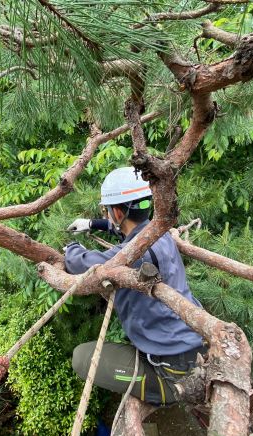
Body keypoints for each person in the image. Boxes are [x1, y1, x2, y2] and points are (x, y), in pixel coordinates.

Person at [65, 166, 205, 406]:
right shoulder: (158, 233)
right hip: (190, 342)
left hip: (171, 370)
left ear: (117, 212)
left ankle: (166, 392)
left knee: (81, 358)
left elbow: (84, 265)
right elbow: (130, 230)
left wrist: (71, 250)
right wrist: (93, 223)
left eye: (108, 211)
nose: (108, 215)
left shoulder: (132, 256)